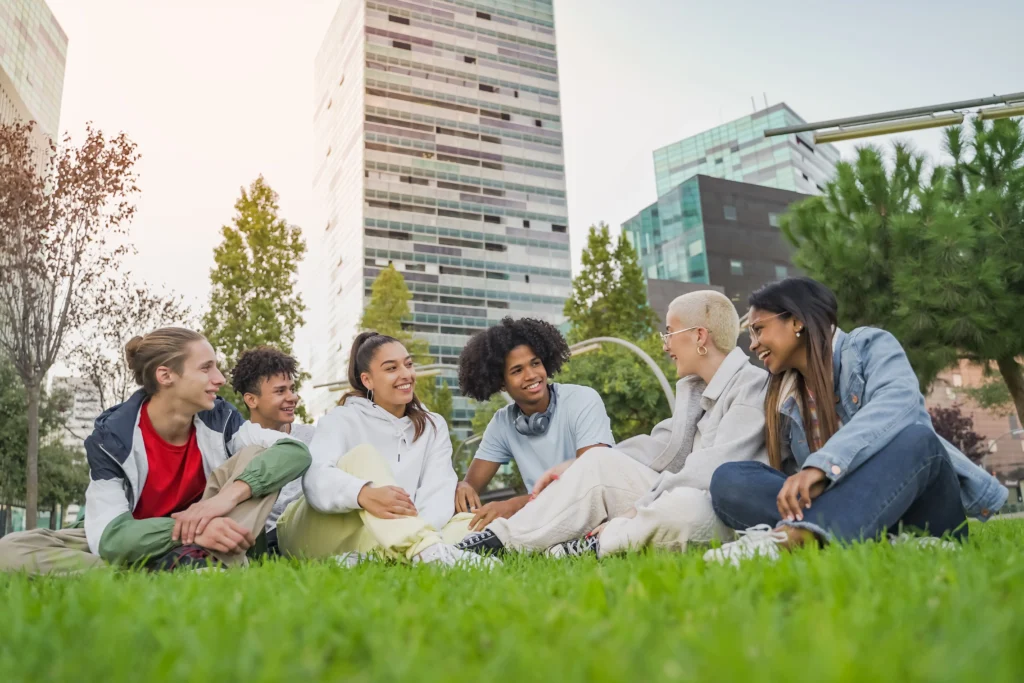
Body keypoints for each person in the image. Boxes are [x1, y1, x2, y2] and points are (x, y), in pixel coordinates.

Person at [705, 278, 1008, 566]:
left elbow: (898, 402)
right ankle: (856, 537)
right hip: (849, 512)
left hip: (920, 513)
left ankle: (792, 539)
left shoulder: (868, 345)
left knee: (917, 439)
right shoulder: (785, 399)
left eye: (758, 329)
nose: (753, 344)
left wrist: (823, 467)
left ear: (796, 321)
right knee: (730, 479)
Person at [455, 291, 767, 558]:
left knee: (681, 505)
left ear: (699, 336)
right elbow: (658, 447)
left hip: (721, 511)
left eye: (669, 333)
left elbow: (707, 473)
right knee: (599, 460)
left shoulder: (750, 386)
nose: (665, 345)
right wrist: (575, 465)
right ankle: (494, 542)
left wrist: (634, 510)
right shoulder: (697, 391)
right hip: (679, 497)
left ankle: (593, 543)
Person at [0, 327, 312, 574]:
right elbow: (112, 537)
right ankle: (152, 572)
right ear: (166, 376)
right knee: (10, 550)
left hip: (211, 536)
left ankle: (192, 563)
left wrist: (222, 501)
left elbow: (294, 451)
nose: (219, 379)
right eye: (206, 368)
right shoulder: (111, 440)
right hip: (144, 536)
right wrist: (189, 531)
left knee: (257, 454)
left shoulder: (220, 419)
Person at [276, 332, 497, 568]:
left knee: (469, 523)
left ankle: (385, 556)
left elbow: (438, 490)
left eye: (408, 364)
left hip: (380, 533)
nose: (406, 374)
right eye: (391, 368)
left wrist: (418, 530)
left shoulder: (433, 426)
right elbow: (315, 480)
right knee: (363, 456)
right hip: (314, 529)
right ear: (367, 380)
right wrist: (363, 494)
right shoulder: (342, 419)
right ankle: (426, 551)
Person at [453, 317, 615, 532]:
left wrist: (513, 506)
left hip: (599, 514)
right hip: (548, 522)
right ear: (501, 383)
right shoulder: (502, 423)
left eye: (535, 363)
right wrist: (462, 487)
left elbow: (591, 478)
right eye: (517, 370)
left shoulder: (582, 399)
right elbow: (471, 486)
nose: (531, 375)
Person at [230, 346, 316, 551]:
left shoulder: (314, 436)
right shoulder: (240, 445)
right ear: (252, 400)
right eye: (280, 391)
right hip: (273, 537)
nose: (292, 397)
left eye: (292, 389)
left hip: (317, 521)